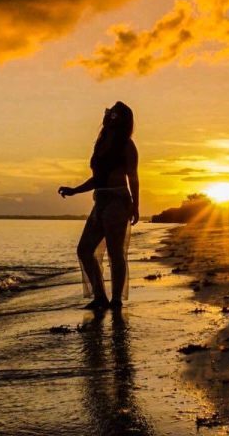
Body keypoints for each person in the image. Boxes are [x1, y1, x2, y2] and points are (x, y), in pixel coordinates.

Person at [59, 101, 139, 310]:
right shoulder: (101, 143)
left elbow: (133, 177)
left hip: (118, 200)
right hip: (101, 199)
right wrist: (74, 190)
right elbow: (98, 178)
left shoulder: (126, 145)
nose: (107, 115)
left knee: (115, 252)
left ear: (120, 120)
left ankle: (116, 301)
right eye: (108, 112)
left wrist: (135, 206)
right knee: (84, 250)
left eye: (112, 113)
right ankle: (100, 296)